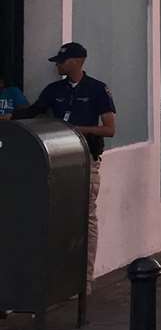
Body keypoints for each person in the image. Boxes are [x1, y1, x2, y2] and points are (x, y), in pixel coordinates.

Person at [10, 42, 116, 291]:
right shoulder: (54, 90)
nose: (58, 65)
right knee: (57, 217)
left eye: (62, 61)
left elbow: (109, 129)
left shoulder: (98, 89)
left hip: (87, 159)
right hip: (58, 162)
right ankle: (58, 278)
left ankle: (84, 280)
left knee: (86, 217)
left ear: (78, 61)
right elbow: (33, 113)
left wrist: (78, 131)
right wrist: (9, 118)